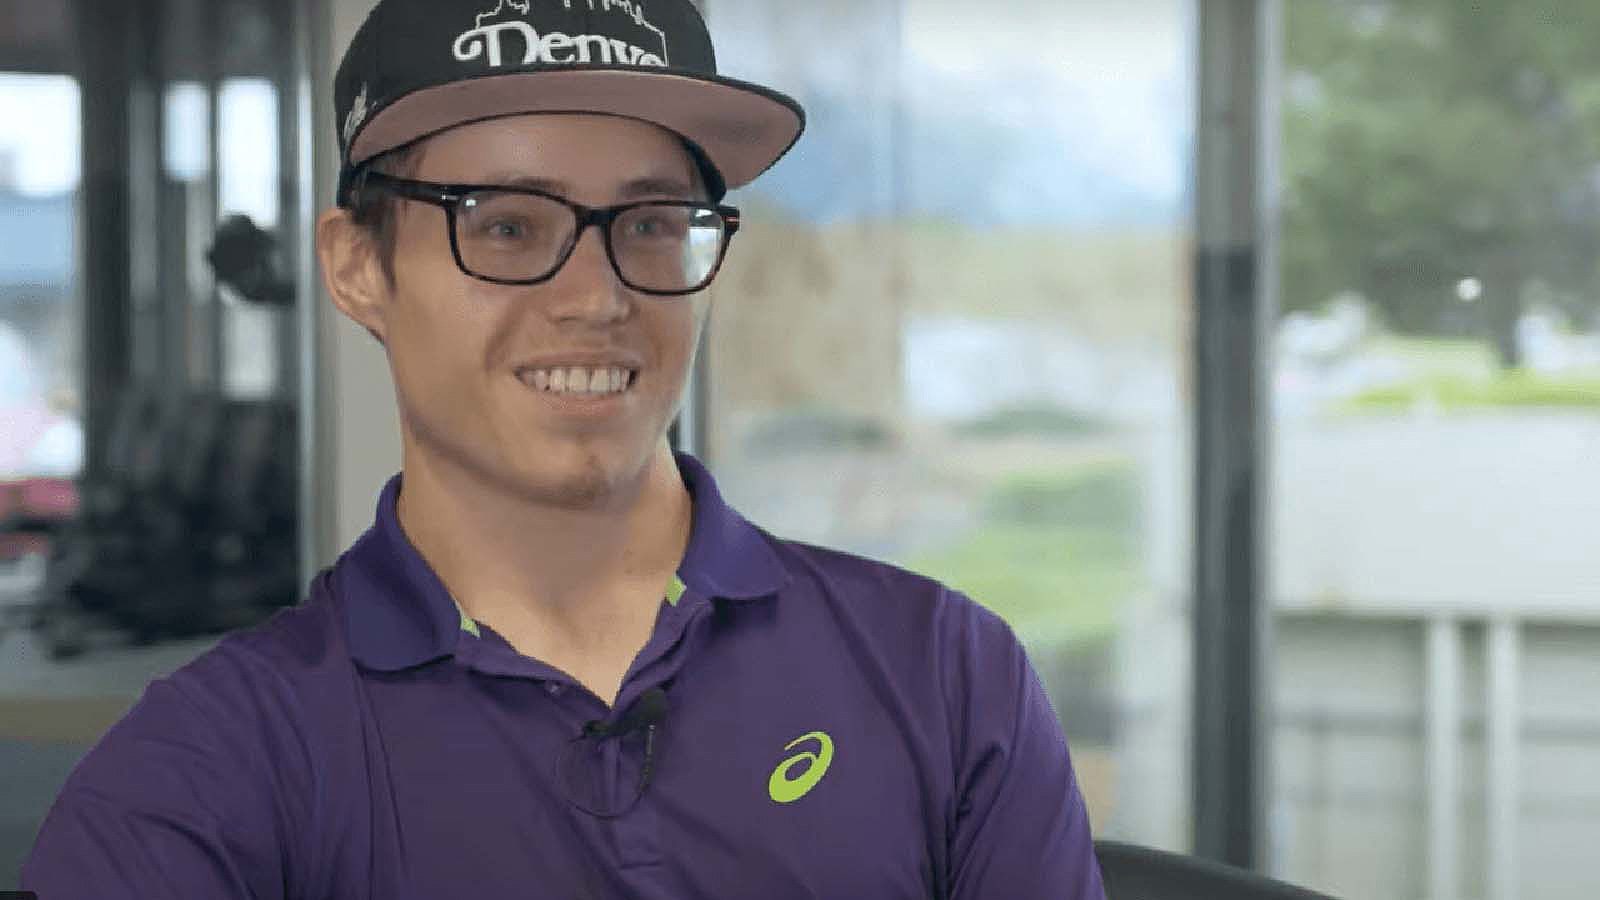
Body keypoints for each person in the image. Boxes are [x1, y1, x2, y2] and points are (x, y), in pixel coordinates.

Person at [21, 0, 1106, 896]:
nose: (595, 297)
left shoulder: (945, 679)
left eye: (648, 224)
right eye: (503, 225)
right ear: (357, 267)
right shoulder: (209, 776)